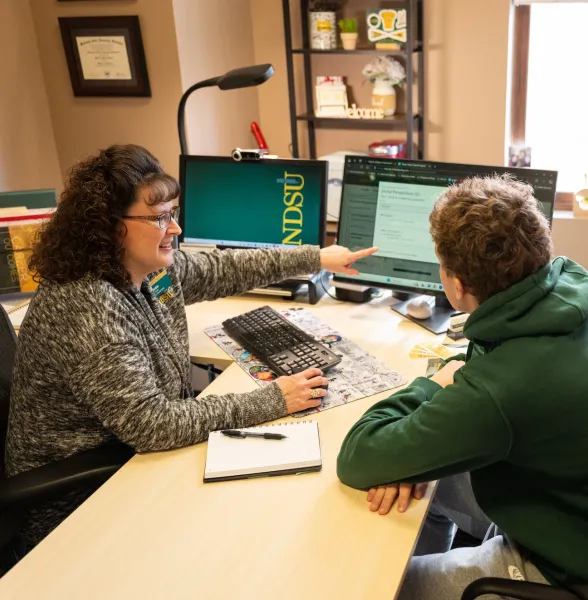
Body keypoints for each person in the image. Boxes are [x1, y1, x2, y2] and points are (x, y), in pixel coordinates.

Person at [6, 144, 376, 552]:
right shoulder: (88, 305)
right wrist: (274, 399)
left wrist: (315, 256)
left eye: (173, 214)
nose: (176, 229)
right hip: (85, 498)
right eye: (160, 218)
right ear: (110, 227)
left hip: (137, 458)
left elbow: (222, 269)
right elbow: (155, 425)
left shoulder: (146, 271)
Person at [337, 175, 588, 599]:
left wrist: (428, 386)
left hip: (582, 570)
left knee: (377, 588)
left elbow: (356, 456)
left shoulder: (501, 388)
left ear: (457, 284)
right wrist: (404, 461)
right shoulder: (570, 291)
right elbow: (496, 373)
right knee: (419, 483)